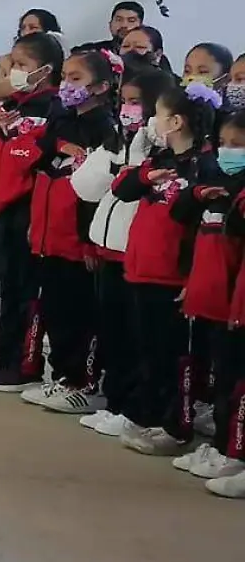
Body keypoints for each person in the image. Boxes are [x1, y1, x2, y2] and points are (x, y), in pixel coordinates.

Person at [110, 83, 220, 457]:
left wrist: (192, 278)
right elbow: (122, 187)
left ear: (174, 121)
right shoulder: (160, 160)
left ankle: (178, 426)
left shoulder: (204, 167)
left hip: (174, 277)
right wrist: (145, 177)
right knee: (148, 351)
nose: (151, 121)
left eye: (156, 114)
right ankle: (149, 415)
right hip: (142, 271)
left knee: (175, 357)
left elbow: (199, 227)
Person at [19, 49, 121, 414]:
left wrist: (91, 240)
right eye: (65, 77)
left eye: (76, 79)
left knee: (81, 313)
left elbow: (99, 190)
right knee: (56, 310)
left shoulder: (106, 129)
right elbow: (44, 150)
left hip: (80, 239)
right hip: (50, 234)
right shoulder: (61, 120)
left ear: (102, 86)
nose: (67, 85)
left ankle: (84, 381)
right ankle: (62, 375)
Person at [75, 67, 172, 438]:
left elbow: (136, 193)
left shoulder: (162, 154)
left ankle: (133, 407)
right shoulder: (121, 141)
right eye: (124, 102)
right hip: (108, 247)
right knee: (112, 330)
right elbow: (84, 187)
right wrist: (117, 152)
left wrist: (138, 158)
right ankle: (115, 401)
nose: (128, 110)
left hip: (138, 254)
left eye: (137, 103)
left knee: (136, 337)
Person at [0, 31, 64, 391]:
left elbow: (45, 159)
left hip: (33, 210)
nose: (13, 71)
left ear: (45, 70)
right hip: (9, 207)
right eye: (12, 64)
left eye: (21, 65)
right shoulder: (16, 104)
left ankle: (25, 364)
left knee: (27, 290)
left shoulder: (53, 109)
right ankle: (4, 359)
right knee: (9, 286)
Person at [175, 109, 245, 482]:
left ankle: (230, 450)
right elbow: (181, 213)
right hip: (208, 299)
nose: (228, 152)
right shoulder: (215, 185)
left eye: (238, 145)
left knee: (234, 382)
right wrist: (200, 192)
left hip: (233, 305)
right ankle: (219, 444)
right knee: (217, 378)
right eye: (224, 144)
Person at [80, 1, 147, 54]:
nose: (124, 25)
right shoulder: (93, 51)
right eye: (119, 20)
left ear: (141, 26)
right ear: (110, 25)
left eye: (131, 21)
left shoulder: (148, 54)